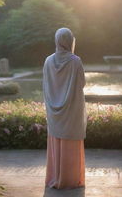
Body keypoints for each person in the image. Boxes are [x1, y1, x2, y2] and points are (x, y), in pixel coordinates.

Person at [43, 27, 87, 190]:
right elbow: (82, 83)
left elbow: (46, 85)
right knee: (71, 142)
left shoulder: (48, 61)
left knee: (56, 142)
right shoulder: (75, 61)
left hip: (54, 113)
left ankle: (56, 177)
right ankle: (70, 179)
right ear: (69, 41)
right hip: (71, 111)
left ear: (56, 40)